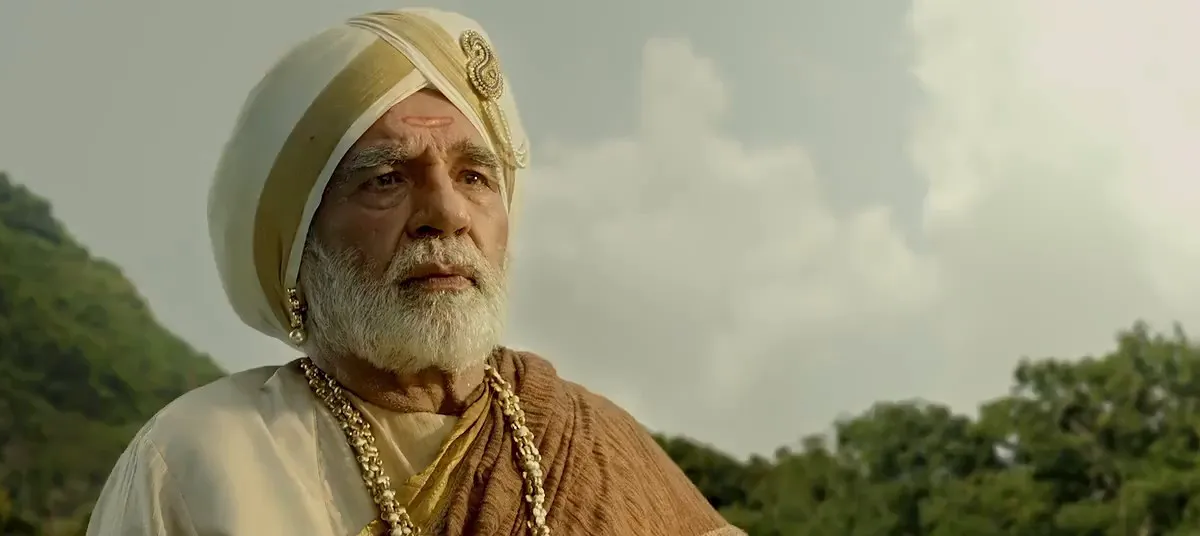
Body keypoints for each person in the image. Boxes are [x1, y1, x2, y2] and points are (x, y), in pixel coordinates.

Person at [86, 7, 742, 536]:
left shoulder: (594, 444)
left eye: (474, 176)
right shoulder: (198, 460)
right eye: (387, 179)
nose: (447, 214)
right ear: (300, 245)